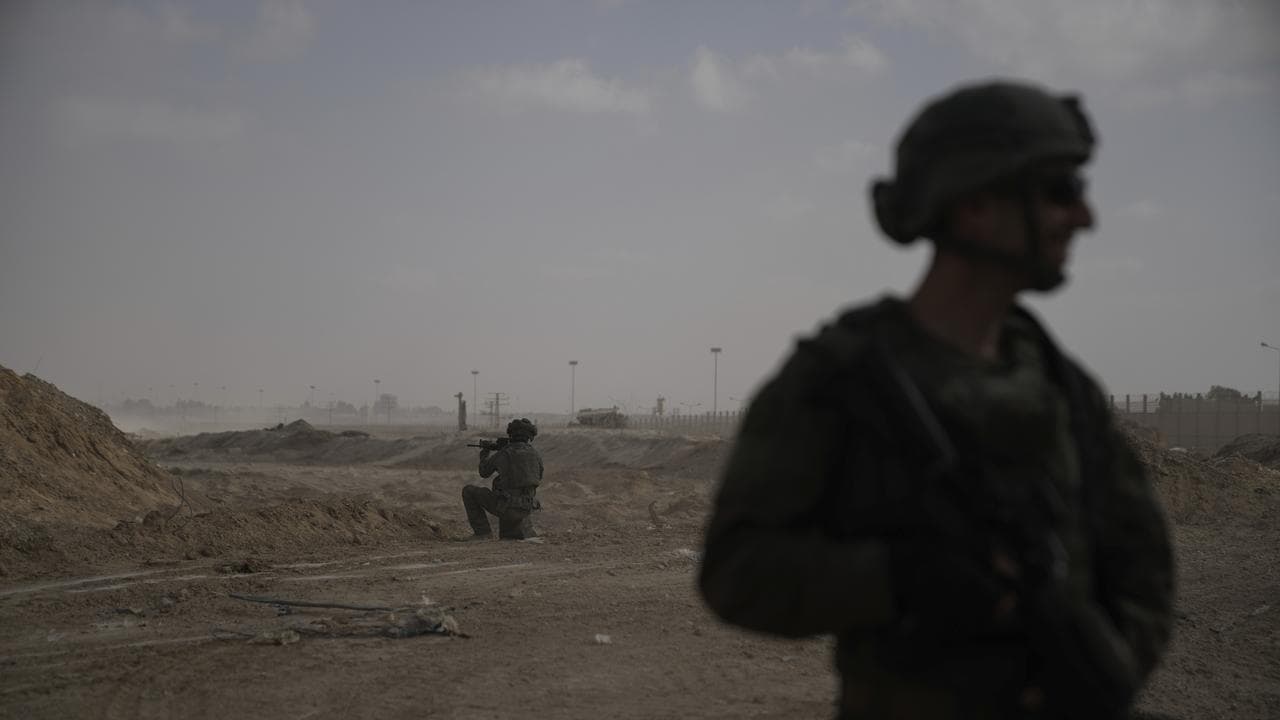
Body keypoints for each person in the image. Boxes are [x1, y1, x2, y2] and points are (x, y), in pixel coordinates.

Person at [699, 79, 1174, 719]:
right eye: (1060, 192)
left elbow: (1143, 566)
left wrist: (1092, 670)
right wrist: (900, 578)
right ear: (975, 205)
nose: (1082, 217)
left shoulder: (1057, 382)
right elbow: (737, 572)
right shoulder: (839, 382)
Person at [461, 417, 543, 540]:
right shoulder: (535, 454)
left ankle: (483, 533)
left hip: (508, 508)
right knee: (507, 487)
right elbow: (537, 477)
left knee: (468, 491)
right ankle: (519, 531)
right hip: (527, 508)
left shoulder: (504, 453)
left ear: (511, 435)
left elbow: (484, 472)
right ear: (529, 437)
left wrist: (484, 455)